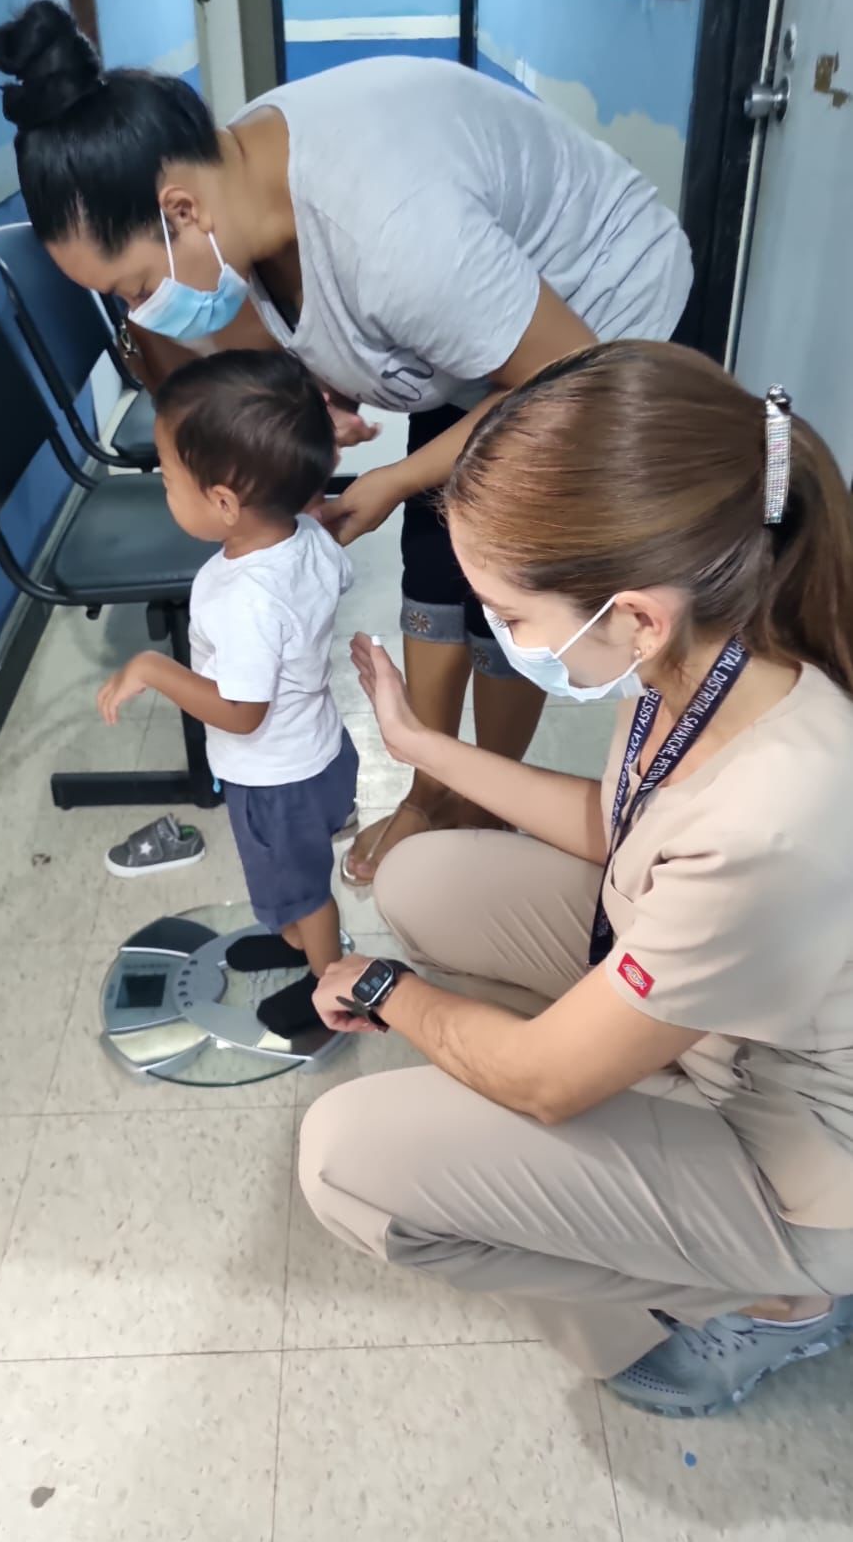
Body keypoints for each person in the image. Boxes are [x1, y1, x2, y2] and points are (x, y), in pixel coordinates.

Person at [0, 0, 692, 889]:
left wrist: (396, 476)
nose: (140, 315)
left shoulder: (392, 228)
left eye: (133, 286)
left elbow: (561, 373)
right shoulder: (241, 177)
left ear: (179, 208)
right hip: (479, 345)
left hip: (594, 333)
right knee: (436, 560)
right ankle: (433, 788)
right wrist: (326, 390)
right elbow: (313, 309)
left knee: (510, 585)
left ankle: (484, 796)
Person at [298, 340, 853, 1418]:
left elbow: (544, 1079)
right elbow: (623, 824)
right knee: (419, 879)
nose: (503, 638)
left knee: (345, 1161)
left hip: (797, 1157)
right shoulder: (705, 653)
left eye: (511, 619)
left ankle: (776, 1300)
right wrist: (424, 752)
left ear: (632, 613)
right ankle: (642, 1117)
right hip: (712, 994)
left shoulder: (777, 810)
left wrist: (379, 991)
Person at [96, 351, 357, 995]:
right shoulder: (305, 534)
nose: (163, 489)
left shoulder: (246, 599)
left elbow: (243, 713)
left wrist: (157, 666)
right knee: (295, 877)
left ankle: (330, 987)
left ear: (223, 501)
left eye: (167, 481)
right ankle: (294, 939)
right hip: (319, 751)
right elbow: (332, 582)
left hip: (275, 779)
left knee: (305, 893)